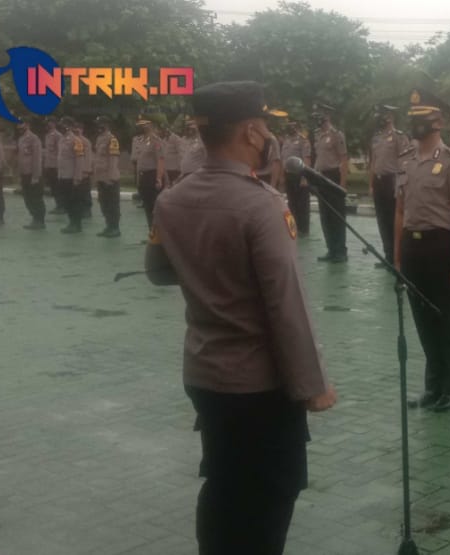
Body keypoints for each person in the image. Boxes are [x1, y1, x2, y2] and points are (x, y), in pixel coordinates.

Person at [144, 81, 336, 555]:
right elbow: (286, 306)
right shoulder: (262, 204)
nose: (270, 135)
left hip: (205, 373)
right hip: (260, 385)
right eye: (265, 126)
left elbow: (158, 272)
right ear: (251, 132)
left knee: (224, 481)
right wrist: (312, 386)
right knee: (270, 495)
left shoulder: (171, 199)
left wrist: (207, 272)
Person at [396, 89, 450, 413]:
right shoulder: (406, 161)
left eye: (422, 118)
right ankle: (433, 385)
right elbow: (399, 211)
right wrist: (397, 257)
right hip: (412, 247)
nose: (416, 124)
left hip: (440, 246)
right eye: (413, 118)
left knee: (446, 319)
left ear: (438, 121)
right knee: (423, 320)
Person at [368, 105, 408, 264]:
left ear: (391, 117)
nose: (380, 118)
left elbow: (404, 162)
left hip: (392, 181)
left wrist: (401, 184)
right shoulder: (376, 138)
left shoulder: (399, 137)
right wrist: (371, 184)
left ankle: (398, 256)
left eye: (384, 115)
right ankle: (388, 255)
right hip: (379, 181)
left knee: (394, 219)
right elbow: (373, 162)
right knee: (382, 220)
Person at [311, 112, 349, 263]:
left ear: (327, 116)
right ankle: (331, 249)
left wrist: (342, 184)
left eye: (319, 115)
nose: (317, 119)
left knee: (336, 215)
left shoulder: (337, 135)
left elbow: (344, 159)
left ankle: (341, 251)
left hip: (333, 176)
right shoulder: (317, 135)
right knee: (325, 215)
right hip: (320, 177)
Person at [60, 119, 92, 234]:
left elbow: (81, 159)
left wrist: (79, 175)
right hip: (64, 175)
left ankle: (76, 224)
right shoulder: (63, 139)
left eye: (64, 125)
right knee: (67, 201)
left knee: (75, 201)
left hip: (73, 175)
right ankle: (71, 222)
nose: (62, 127)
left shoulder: (77, 140)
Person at [279, 121, 311, 236]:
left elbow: (306, 159)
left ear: (297, 127)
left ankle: (303, 230)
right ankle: (293, 228)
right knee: (291, 204)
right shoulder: (286, 141)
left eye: (293, 125)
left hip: (299, 175)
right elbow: (283, 160)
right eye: (289, 125)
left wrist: (304, 177)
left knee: (302, 204)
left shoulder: (303, 141)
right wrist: (282, 176)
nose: (290, 127)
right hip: (289, 175)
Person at [92, 117, 122, 238]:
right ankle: (108, 226)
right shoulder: (99, 139)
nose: (99, 126)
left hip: (110, 178)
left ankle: (115, 228)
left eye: (101, 124)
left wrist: (110, 177)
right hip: (101, 177)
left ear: (107, 125)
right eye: (98, 124)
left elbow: (113, 160)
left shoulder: (112, 139)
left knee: (112, 204)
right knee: (104, 203)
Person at [16, 121, 45, 230]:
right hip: (24, 173)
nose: (19, 127)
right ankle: (34, 218)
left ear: (27, 125)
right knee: (27, 198)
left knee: (35, 198)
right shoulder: (21, 139)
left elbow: (37, 158)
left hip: (32, 174)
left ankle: (40, 220)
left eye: (21, 124)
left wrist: (35, 176)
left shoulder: (34, 139)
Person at [133, 120, 162, 227]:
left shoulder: (156, 140)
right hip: (143, 177)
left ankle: (158, 232)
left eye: (144, 125)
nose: (142, 127)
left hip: (151, 176)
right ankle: (151, 231)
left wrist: (159, 178)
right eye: (141, 125)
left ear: (150, 125)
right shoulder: (140, 140)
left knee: (154, 207)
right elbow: (138, 162)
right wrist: (138, 180)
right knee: (147, 207)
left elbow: (160, 160)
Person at [42, 119, 64, 214]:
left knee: (58, 187)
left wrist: (59, 165)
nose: (48, 124)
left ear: (54, 124)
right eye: (47, 123)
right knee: (53, 187)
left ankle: (61, 206)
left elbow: (60, 151)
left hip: (56, 165)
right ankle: (58, 205)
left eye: (50, 122)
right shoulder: (47, 135)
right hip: (49, 164)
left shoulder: (58, 135)